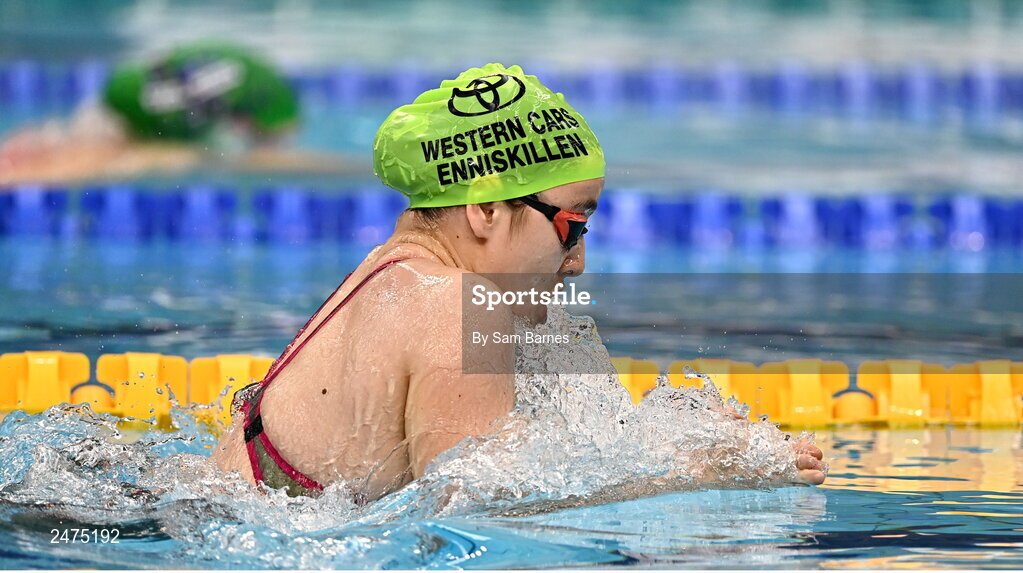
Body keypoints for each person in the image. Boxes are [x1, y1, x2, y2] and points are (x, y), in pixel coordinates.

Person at [210, 63, 827, 501]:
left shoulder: (392, 275)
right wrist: (696, 471)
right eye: (573, 225)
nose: (578, 261)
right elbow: (470, 510)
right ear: (484, 209)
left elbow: (521, 456)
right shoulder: (457, 303)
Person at [0, 42, 346, 186]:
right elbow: (266, 160)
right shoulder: (262, 98)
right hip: (126, 114)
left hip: (124, 97)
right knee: (76, 165)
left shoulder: (248, 81)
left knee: (60, 143)